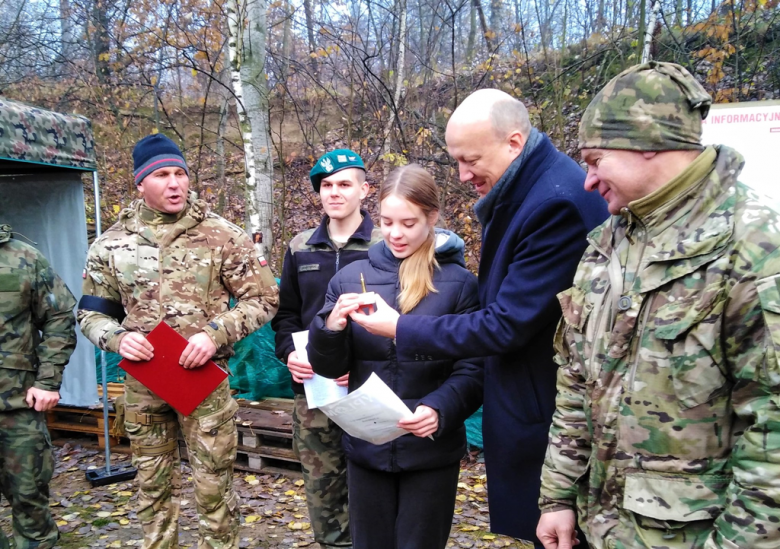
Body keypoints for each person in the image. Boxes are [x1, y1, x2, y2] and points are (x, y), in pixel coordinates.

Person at [537, 61, 780, 549]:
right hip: (604, 526)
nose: (587, 180)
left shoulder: (752, 244)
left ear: (646, 143)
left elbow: (772, 428)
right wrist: (558, 495)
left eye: (595, 159)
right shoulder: (609, 241)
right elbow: (577, 380)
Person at [351, 89, 608, 545]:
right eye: (456, 161)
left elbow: (506, 323)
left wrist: (400, 327)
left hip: (547, 410)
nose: (463, 174)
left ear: (513, 142)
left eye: (471, 159)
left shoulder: (552, 202)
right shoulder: (525, 188)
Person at [78, 134, 279, 549]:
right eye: (161, 175)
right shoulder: (112, 243)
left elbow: (264, 298)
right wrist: (116, 338)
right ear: (140, 184)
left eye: (180, 173)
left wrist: (214, 333)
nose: (175, 184)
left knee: (213, 491)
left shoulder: (222, 235)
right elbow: (90, 313)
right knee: (152, 489)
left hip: (204, 383)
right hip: (144, 386)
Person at [307, 164, 483, 549]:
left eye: (409, 223)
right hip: (367, 448)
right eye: (387, 222)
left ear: (432, 218)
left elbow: (474, 368)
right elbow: (329, 367)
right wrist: (330, 328)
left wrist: (439, 407)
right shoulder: (349, 278)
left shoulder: (459, 284)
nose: (396, 234)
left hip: (430, 448)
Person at [272, 149, 382, 548]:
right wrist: (289, 353)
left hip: (371, 388)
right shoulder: (300, 246)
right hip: (314, 390)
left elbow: (406, 316)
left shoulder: (385, 243)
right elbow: (285, 315)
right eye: (326, 186)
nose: (334, 193)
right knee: (323, 490)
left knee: (374, 488)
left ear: (364, 190)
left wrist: (369, 365)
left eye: (344, 184)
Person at [0, 224, 77, 549]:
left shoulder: (22, 256)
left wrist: (48, 381)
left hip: (17, 407)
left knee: (29, 496)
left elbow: (59, 316)